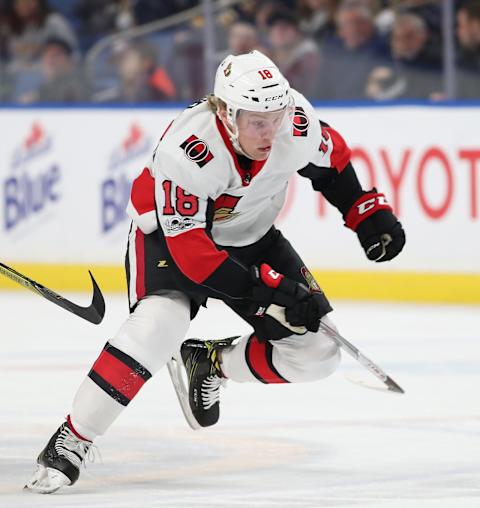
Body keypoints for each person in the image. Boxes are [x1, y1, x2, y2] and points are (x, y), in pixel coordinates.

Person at [25, 50, 405, 494]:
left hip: (252, 234)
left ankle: (210, 363)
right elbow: (195, 257)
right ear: (225, 113)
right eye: (256, 120)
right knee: (158, 326)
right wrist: (269, 290)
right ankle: (72, 439)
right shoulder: (188, 151)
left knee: (317, 353)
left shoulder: (294, 121)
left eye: (275, 115)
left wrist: (363, 211)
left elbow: (331, 160)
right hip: (168, 237)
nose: (270, 131)